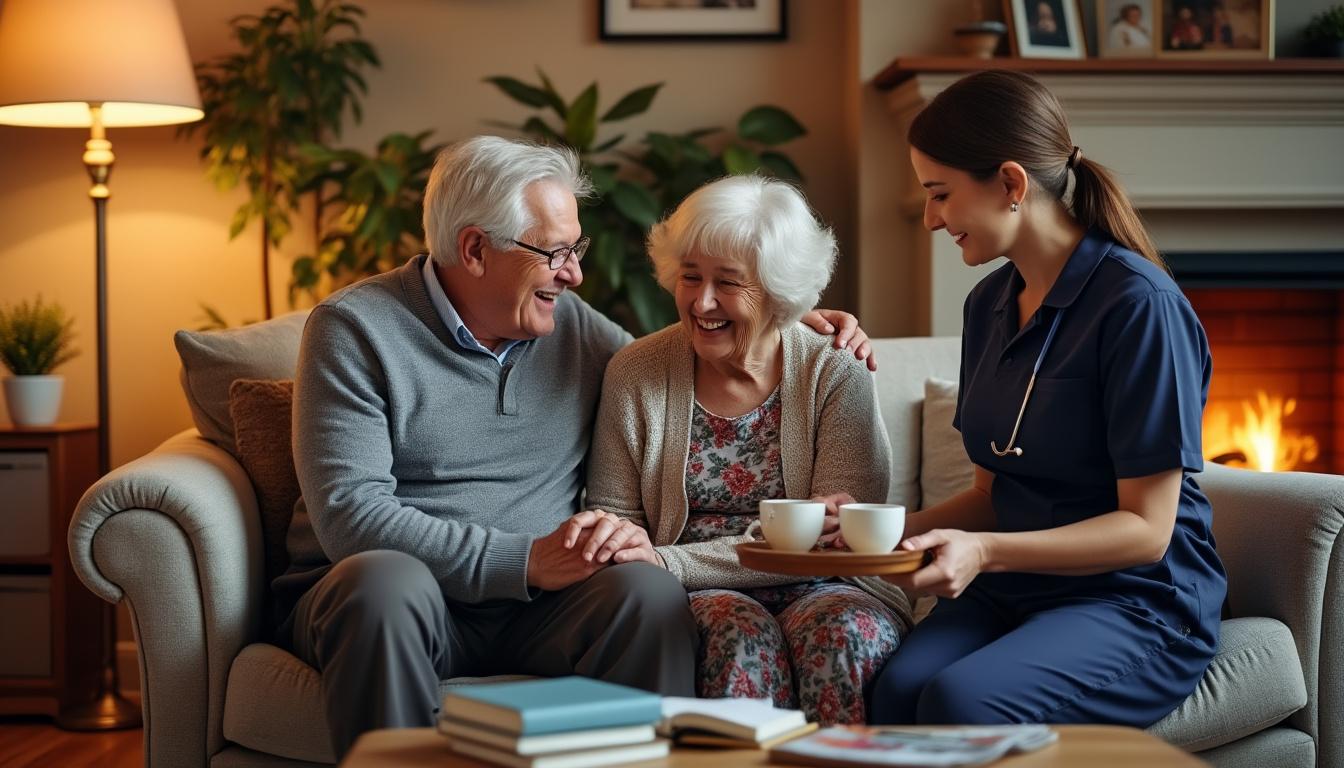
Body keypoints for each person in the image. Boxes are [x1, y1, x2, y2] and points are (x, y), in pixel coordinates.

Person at [272, 136, 876, 758]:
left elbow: (677, 357)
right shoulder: (354, 330)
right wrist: (526, 561)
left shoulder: (576, 330)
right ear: (475, 249)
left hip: (539, 607)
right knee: (383, 584)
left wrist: (780, 315)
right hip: (395, 599)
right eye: (556, 253)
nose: (575, 273)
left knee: (646, 592)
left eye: (575, 249)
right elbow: (351, 517)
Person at [866, 71, 1225, 729]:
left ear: (1010, 183)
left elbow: (1147, 532)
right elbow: (989, 495)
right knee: (895, 692)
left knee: (959, 702)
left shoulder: (1139, 307)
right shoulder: (988, 305)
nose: (929, 219)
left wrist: (985, 554)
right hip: (1015, 592)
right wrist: (872, 534)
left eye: (940, 194)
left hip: (1135, 602)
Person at [580, 175, 912, 725]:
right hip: (692, 591)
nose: (702, 302)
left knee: (841, 634)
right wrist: (645, 554)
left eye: (728, 283)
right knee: (737, 636)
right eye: (690, 277)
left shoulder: (834, 368)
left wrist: (672, 560)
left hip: (828, 584)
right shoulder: (636, 372)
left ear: (779, 291)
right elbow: (617, 519)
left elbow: (838, 542)